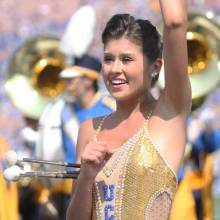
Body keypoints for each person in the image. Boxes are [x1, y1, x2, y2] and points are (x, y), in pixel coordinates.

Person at [66, 0, 191, 219]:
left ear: (156, 67)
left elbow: (175, 22)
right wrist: (86, 175)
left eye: (126, 59)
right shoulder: (89, 129)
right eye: (108, 59)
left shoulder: (168, 116)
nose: (115, 69)